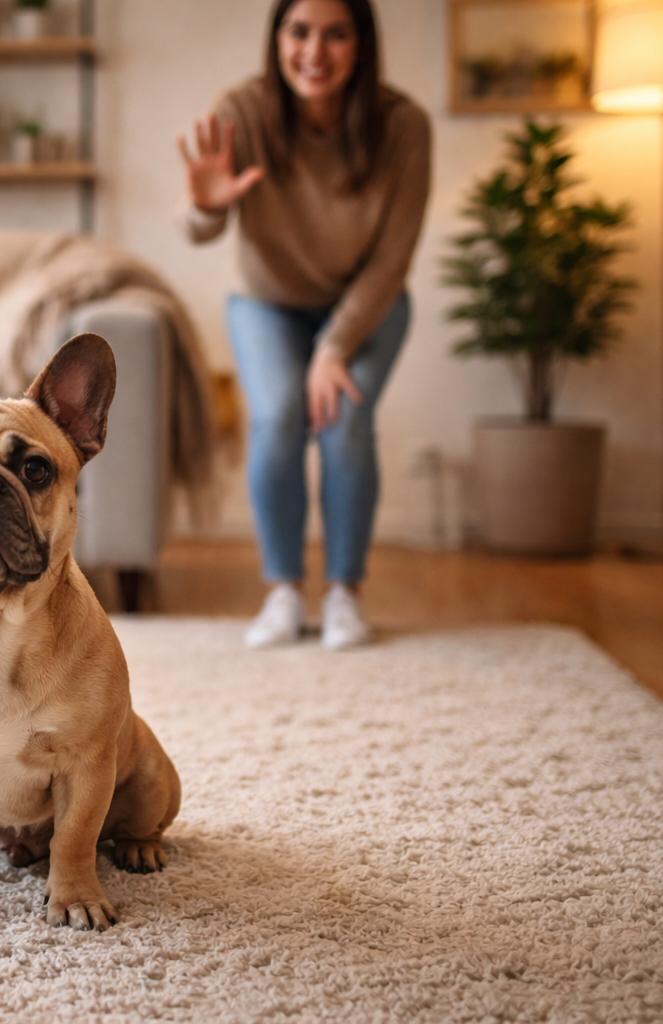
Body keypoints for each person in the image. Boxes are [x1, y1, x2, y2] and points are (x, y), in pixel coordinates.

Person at [177, 0, 430, 650]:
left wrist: (335, 346)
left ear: (361, 43)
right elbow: (201, 227)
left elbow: (394, 257)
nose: (315, 52)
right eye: (300, 32)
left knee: (344, 420)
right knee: (280, 414)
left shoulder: (403, 127)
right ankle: (284, 591)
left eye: (336, 34)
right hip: (268, 302)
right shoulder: (245, 112)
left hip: (367, 303)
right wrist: (203, 208)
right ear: (278, 38)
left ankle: (345, 593)